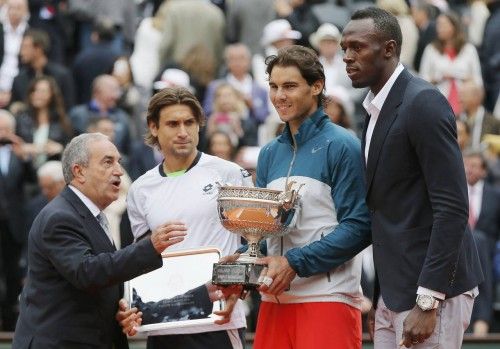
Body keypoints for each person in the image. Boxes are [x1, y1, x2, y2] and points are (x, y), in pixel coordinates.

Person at [340, 7, 483, 348]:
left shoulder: (423, 102)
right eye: (345, 47)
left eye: (357, 47)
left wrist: (429, 298)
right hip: (396, 292)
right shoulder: (373, 107)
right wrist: (385, 298)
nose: (347, 57)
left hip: (432, 294)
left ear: (388, 49)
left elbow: (452, 207)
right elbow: (385, 211)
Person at [228, 45, 372, 348]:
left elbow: (360, 226)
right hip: (275, 299)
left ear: (316, 86)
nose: (279, 95)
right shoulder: (268, 153)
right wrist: (246, 259)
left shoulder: (343, 145)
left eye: (290, 86)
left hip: (328, 299)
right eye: (274, 86)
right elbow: (267, 229)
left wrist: (294, 263)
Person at [12, 132, 187, 348]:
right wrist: (150, 246)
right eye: (108, 162)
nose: (119, 171)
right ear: (79, 171)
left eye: (118, 162)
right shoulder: (59, 217)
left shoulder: (91, 215)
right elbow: (87, 272)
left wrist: (120, 310)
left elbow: (100, 281)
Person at [117, 87, 253, 349]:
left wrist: (239, 283)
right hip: (162, 324)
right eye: (173, 124)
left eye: (189, 122)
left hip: (217, 321)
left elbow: (256, 244)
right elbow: (141, 260)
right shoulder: (140, 189)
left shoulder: (229, 174)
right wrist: (131, 303)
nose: (183, 132)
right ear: (154, 127)